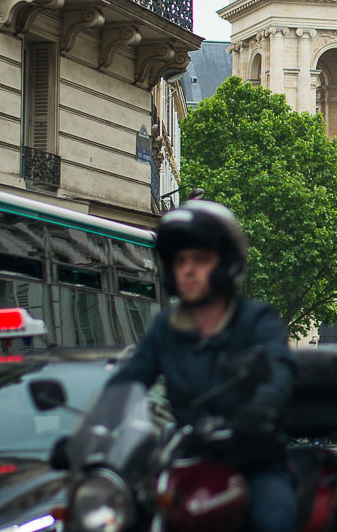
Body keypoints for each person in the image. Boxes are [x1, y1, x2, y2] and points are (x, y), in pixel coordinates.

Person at [107, 199, 297, 532]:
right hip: (187, 461)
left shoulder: (257, 321)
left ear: (226, 265)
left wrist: (260, 410)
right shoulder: (167, 327)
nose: (189, 270)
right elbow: (131, 377)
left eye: (201, 259)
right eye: (181, 261)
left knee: (273, 521)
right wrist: (91, 430)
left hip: (255, 463)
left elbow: (278, 371)